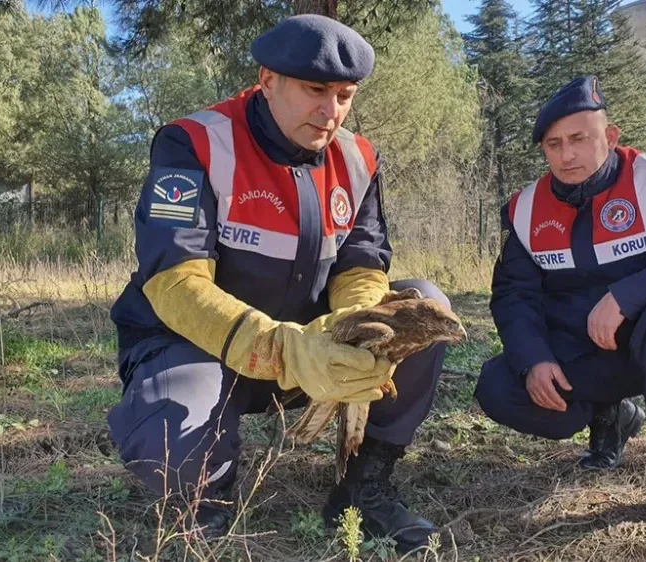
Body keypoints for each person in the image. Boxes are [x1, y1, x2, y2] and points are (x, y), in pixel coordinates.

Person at [106, 14, 446, 553]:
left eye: (344, 95)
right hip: (197, 351)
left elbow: (361, 261)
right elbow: (174, 281)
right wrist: (282, 350)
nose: (329, 111)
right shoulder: (193, 143)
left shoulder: (358, 159)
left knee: (421, 306)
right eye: (315, 90)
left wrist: (351, 325)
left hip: (309, 348)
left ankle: (364, 489)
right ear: (267, 80)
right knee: (172, 442)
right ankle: (207, 505)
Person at [474, 75, 646, 532]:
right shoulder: (524, 208)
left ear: (610, 136)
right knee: (499, 386)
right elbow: (513, 295)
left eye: (579, 139)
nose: (566, 155)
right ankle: (610, 415)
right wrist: (534, 360)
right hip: (582, 352)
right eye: (554, 144)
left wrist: (626, 295)